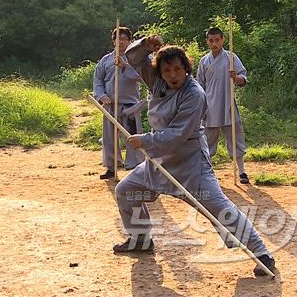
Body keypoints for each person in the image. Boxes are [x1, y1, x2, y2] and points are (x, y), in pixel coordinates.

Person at [112, 35, 276, 276]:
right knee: (125, 191)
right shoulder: (156, 82)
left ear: (186, 69)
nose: (172, 75)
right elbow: (132, 58)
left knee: (219, 208)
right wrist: (146, 44)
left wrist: (145, 140)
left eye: (177, 69)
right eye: (167, 70)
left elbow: (177, 134)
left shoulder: (194, 94)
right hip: (158, 163)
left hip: (190, 164)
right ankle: (140, 240)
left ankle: (262, 252)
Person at [196, 27, 250, 184]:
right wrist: (201, 106)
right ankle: (208, 173)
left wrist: (236, 77)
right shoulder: (204, 61)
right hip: (210, 107)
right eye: (211, 41)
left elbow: (243, 79)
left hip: (228, 105)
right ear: (207, 42)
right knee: (208, 141)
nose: (214, 44)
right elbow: (199, 86)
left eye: (217, 40)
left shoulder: (231, 57)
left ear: (223, 40)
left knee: (235, 137)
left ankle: (242, 172)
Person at [93, 27, 145, 180]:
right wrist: (102, 96)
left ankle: (135, 168)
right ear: (113, 41)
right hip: (110, 105)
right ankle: (112, 166)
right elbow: (98, 80)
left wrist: (125, 67)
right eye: (118, 38)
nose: (121, 41)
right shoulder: (105, 60)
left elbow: (143, 78)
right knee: (109, 138)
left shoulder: (135, 60)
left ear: (130, 41)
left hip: (130, 106)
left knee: (133, 138)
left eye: (124, 38)